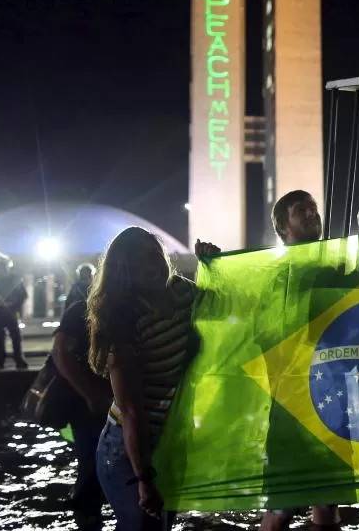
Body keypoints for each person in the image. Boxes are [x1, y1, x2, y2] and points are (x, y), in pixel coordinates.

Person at [89, 227, 212, 530]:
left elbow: (228, 307)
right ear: (125, 271)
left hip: (168, 438)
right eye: (140, 262)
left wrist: (213, 267)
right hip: (128, 448)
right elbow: (131, 410)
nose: (154, 266)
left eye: (155, 255)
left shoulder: (182, 291)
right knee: (142, 526)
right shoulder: (124, 319)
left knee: (161, 526)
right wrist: (144, 477)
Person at [260, 189, 341, 531]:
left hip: (334, 399)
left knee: (328, 502)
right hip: (292, 405)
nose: (312, 213)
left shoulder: (333, 267)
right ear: (282, 225)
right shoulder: (277, 276)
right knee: (282, 506)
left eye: (313, 207)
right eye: (300, 210)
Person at [52, 298, 112, 530]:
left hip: (102, 401)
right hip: (89, 405)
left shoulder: (85, 307)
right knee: (91, 466)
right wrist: (90, 395)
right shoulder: (83, 308)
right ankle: (88, 515)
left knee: (93, 465)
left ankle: (89, 515)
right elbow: (59, 351)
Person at [0, 255, 29, 370]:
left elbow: (23, 295)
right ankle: (12, 360)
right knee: (5, 337)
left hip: (6, 311)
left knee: (11, 337)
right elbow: (23, 295)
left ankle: (7, 361)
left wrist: (13, 305)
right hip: (4, 311)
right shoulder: (0, 280)